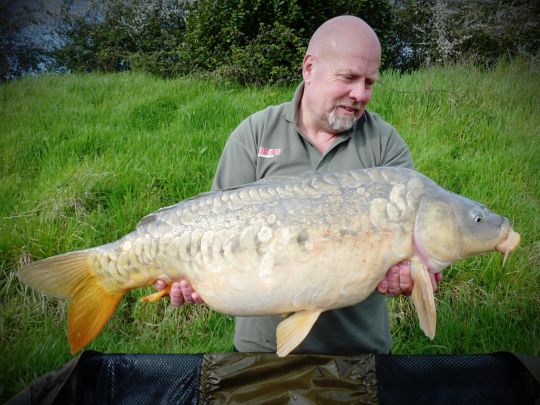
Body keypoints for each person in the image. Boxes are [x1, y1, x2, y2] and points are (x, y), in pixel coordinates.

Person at [155, 15, 442, 354]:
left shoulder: (384, 144)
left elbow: (413, 251)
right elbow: (212, 235)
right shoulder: (255, 134)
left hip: (359, 351)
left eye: (369, 82)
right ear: (309, 68)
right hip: (259, 351)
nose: (360, 94)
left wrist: (411, 276)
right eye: (349, 78)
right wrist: (187, 276)